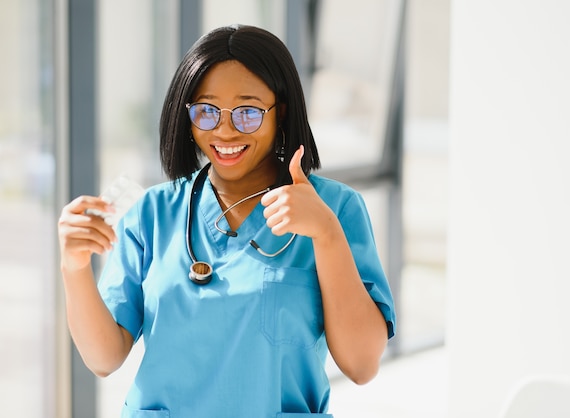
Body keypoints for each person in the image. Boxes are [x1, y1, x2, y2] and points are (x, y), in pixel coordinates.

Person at [57, 24, 396, 417]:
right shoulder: (154, 213)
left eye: (248, 112)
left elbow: (361, 365)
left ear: (280, 110)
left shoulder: (335, 209)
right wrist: (74, 267)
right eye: (206, 111)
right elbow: (104, 357)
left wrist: (326, 235)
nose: (225, 129)